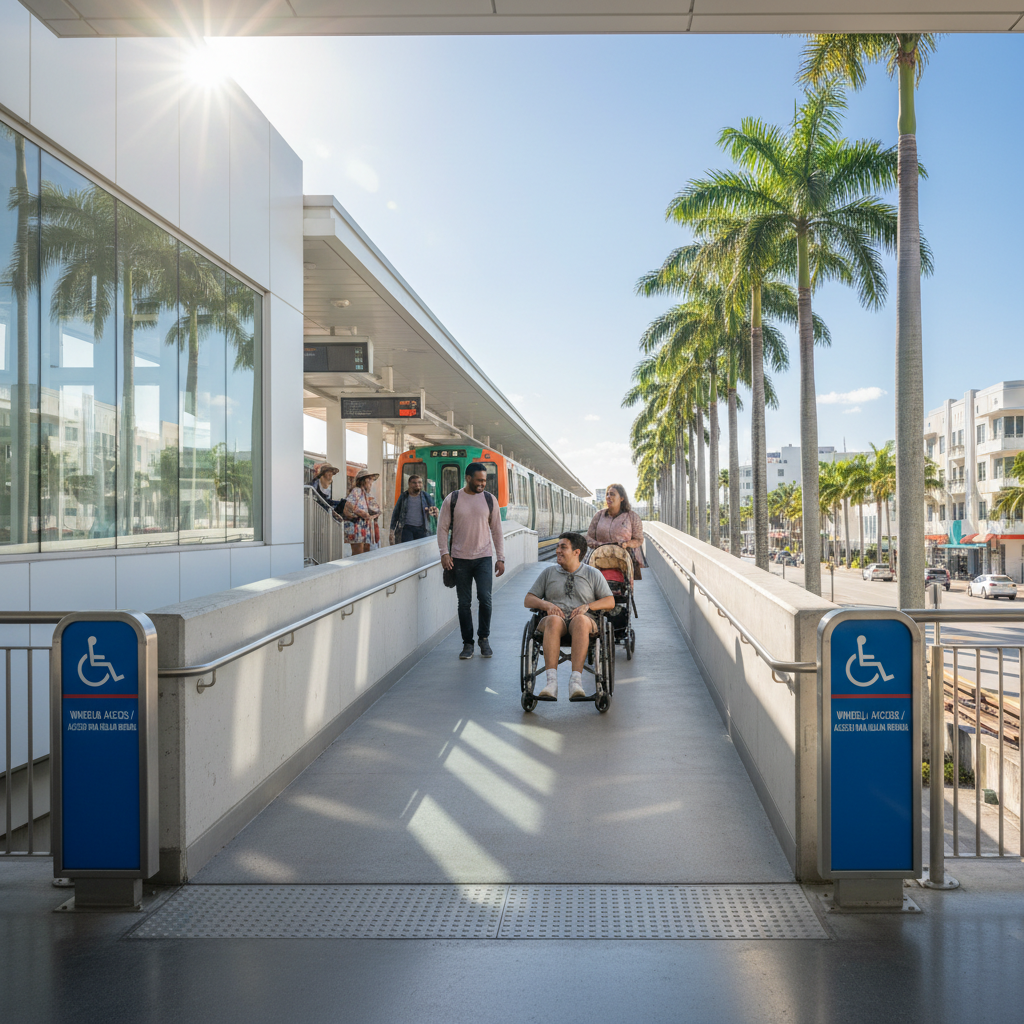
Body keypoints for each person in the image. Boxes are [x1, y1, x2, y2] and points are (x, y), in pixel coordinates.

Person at [524, 532, 615, 701]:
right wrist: (547, 605)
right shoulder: (548, 573)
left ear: (577, 552)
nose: (557, 550)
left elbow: (610, 601)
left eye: (563, 547)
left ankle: (575, 682)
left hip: (583, 622)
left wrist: (588, 606)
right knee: (553, 620)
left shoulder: (593, 574)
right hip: (554, 623)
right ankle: (551, 683)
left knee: (580, 620)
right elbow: (528, 600)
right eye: (558, 546)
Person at [437, 462, 505, 660]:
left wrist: (500, 557)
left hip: (484, 557)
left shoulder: (490, 500)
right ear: (468, 478)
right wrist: (444, 553)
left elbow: (497, 531)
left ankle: (484, 638)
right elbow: (442, 528)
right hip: (459, 559)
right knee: (463, 603)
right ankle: (468, 643)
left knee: (485, 599)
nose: (483, 483)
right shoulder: (453, 499)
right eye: (479, 480)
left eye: (485, 480)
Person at [587, 483, 646, 579]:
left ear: (622, 498)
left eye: (612, 494)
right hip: (600, 560)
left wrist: (627, 544)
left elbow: (639, 540)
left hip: (623, 561)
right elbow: (588, 537)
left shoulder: (632, 517)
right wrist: (598, 544)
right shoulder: (599, 516)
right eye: (607, 494)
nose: (608, 497)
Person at [389, 474, 439, 545]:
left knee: (421, 551)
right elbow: (396, 513)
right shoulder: (404, 496)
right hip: (407, 528)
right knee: (408, 549)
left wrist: (432, 511)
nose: (417, 484)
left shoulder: (425, 496)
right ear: (409, 484)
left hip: (422, 529)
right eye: (414, 482)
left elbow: (434, 509)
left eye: (419, 482)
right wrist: (392, 530)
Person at [343, 468, 382, 556]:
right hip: (356, 526)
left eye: (371, 479)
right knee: (358, 553)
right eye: (369, 479)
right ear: (362, 480)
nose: (371, 482)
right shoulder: (357, 490)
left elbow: (376, 508)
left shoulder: (366, 494)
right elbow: (349, 504)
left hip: (364, 526)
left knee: (365, 553)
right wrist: (362, 513)